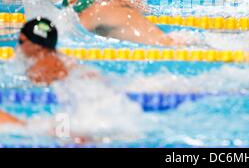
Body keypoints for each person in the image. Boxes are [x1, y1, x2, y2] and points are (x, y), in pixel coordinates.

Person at [0, 17, 144, 142]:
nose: (18, 46)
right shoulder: (64, 60)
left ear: (36, 46)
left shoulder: (38, 70)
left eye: (21, 41)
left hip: (80, 105)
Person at [62, 0, 194, 46]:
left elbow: (74, 30)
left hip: (163, 49)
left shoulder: (90, 14)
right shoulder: (111, 6)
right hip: (175, 39)